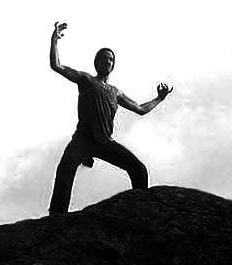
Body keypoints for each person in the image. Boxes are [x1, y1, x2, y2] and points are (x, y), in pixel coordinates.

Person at [48, 21, 173, 214]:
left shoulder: (116, 92)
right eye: (104, 58)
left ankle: (141, 211)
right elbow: (56, 65)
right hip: (83, 139)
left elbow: (140, 109)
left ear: (113, 65)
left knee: (138, 169)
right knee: (65, 168)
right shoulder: (86, 79)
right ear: (96, 62)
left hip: (105, 142)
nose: (107, 61)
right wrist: (55, 40)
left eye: (110, 59)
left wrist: (159, 98)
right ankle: (57, 217)